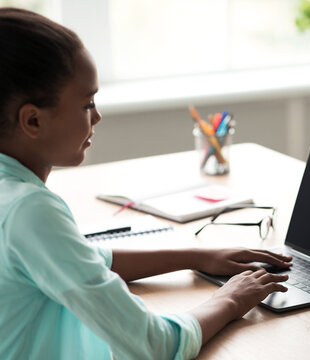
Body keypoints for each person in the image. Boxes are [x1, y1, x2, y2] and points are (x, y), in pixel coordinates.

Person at [0, 7, 291, 360]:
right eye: (87, 103)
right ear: (32, 120)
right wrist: (230, 298)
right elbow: (152, 345)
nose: (98, 116)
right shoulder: (28, 210)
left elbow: (83, 260)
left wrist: (197, 256)